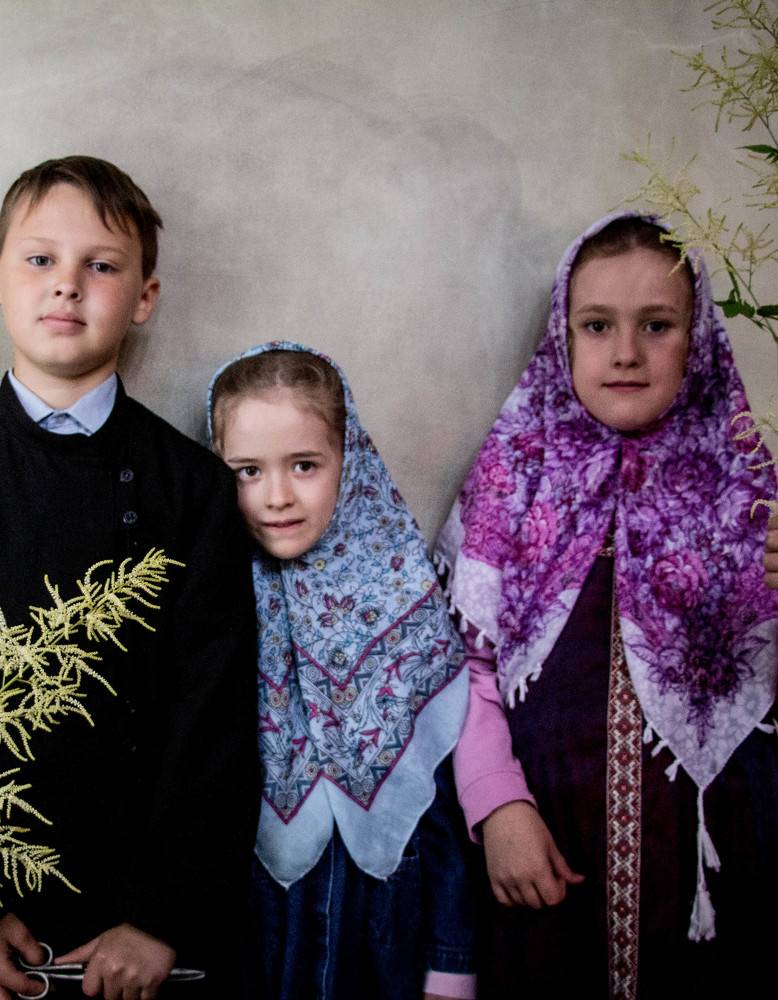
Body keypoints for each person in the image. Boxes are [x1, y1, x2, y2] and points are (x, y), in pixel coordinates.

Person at [0, 155, 259, 1000]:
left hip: (138, 929)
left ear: (145, 296)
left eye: (101, 265)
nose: (67, 284)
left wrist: (159, 916)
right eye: (40, 259)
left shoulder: (193, 489)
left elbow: (213, 718)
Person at [436, 212, 778, 999]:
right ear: (563, 336)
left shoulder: (747, 493)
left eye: (657, 325)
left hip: (717, 866)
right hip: (545, 852)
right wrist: (496, 806)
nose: (626, 352)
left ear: (698, 341)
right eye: (597, 325)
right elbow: (465, 668)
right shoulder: (511, 478)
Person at [208, 343, 477, 1000]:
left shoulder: (401, 596)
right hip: (255, 928)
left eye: (304, 465)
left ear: (348, 461)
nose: (277, 496)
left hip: (383, 924)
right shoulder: (210, 603)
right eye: (247, 471)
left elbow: (437, 798)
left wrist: (451, 963)